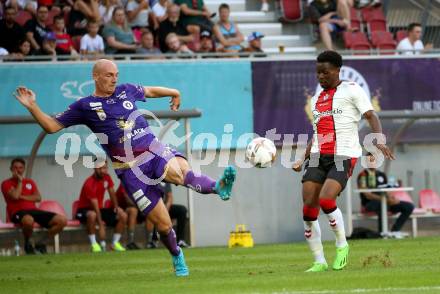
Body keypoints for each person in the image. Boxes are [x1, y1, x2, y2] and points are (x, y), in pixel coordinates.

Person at [13, 58, 236, 277]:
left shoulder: (125, 90)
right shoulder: (85, 106)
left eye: (116, 74)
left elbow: (150, 91)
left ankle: (219, 186)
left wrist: (174, 92)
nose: (114, 79)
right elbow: (52, 126)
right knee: (164, 225)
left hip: (154, 151)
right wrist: (32, 106)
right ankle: (176, 254)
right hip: (131, 171)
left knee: (180, 173)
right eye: (109, 75)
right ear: (96, 76)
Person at [292, 51, 394, 272]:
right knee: (308, 208)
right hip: (319, 156)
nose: (321, 76)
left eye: (325, 72)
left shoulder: (351, 89)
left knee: (326, 200)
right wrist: (303, 157)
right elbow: (318, 133)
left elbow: (371, 115)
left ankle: (341, 245)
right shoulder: (317, 99)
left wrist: (378, 140)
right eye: (318, 72)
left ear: (337, 70)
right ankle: (319, 260)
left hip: (343, 155)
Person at [1, 158, 67, 254]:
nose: (18, 170)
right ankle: (27, 243)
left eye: (20, 168)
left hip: (33, 210)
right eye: (15, 168)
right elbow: (15, 196)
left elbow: (38, 197)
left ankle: (40, 242)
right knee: (29, 220)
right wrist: (20, 182)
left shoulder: (30, 182)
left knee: (62, 221)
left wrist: (22, 196)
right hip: (17, 212)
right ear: (11, 169)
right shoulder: (6, 183)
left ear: (24, 169)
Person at [357, 153, 414, 238]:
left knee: (409, 206)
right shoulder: (363, 175)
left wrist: (391, 198)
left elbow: (387, 189)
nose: (373, 162)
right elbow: (367, 195)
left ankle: (395, 231)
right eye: (370, 160)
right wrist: (385, 200)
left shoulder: (381, 175)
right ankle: (382, 233)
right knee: (382, 206)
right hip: (369, 204)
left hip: (386, 201)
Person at [75, 160, 128, 252]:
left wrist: (116, 208)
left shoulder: (107, 177)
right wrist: (101, 225)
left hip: (98, 209)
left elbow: (112, 194)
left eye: (105, 168)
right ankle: (94, 244)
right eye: (101, 168)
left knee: (123, 215)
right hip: (84, 210)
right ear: (95, 168)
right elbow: (94, 206)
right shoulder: (89, 183)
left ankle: (114, 243)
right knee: (92, 215)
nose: (103, 170)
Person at [114, 183, 141, 249]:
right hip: (118, 209)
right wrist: (140, 207)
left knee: (150, 210)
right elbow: (126, 198)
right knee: (133, 210)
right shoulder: (125, 181)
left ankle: (151, 242)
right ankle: (130, 242)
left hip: (130, 208)